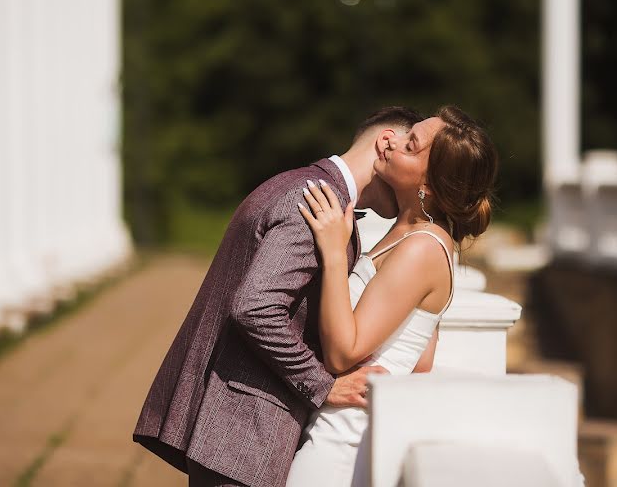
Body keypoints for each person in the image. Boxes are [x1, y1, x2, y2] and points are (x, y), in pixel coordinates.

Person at [132, 107, 425, 487]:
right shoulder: (315, 202)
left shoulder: (299, 184)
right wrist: (324, 385)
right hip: (244, 429)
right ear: (387, 143)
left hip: (230, 423)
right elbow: (256, 308)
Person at [285, 104, 498, 486]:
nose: (391, 141)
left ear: (428, 185)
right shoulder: (413, 236)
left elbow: (342, 351)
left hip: (339, 444)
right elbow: (421, 360)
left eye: (410, 145)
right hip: (339, 429)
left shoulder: (422, 247)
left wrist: (335, 256)